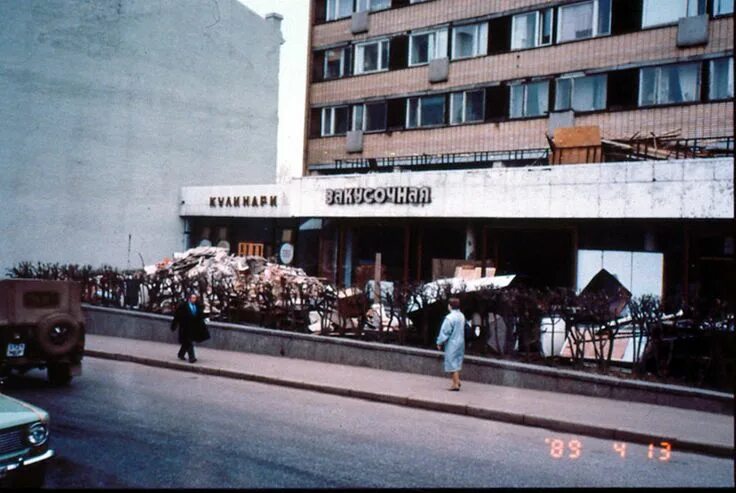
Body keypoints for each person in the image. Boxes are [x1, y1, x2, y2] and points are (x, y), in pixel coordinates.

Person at [436, 297, 465, 391]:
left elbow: (445, 331)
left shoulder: (450, 318)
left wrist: (439, 342)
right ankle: (457, 380)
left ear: (450, 306)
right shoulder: (461, 316)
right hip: (461, 342)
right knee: (456, 361)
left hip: (452, 343)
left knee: (451, 362)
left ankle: (455, 384)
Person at [170, 292, 207, 363]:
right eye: (193, 298)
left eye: (195, 298)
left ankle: (181, 354)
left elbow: (199, 317)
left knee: (186, 342)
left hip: (192, 328)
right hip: (185, 328)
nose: (194, 299)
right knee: (189, 342)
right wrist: (174, 326)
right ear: (189, 299)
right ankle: (192, 358)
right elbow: (177, 316)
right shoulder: (183, 306)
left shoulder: (197, 306)